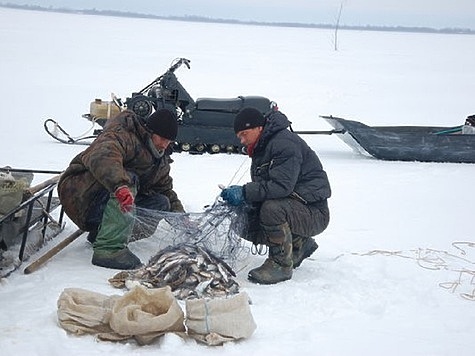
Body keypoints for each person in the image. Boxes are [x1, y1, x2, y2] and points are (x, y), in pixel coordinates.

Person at [58, 108, 185, 270]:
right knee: (129, 178)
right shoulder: (122, 135)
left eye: (169, 141)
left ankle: (103, 234)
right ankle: (109, 250)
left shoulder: (160, 161)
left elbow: (165, 189)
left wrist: (182, 218)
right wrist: (120, 186)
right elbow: (102, 156)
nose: (164, 144)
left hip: (111, 200)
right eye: (161, 138)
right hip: (81, 196)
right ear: (149, 131)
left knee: (161, 202)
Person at [220, 107, 331, 284]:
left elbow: (281, 187)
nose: (241, 140)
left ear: (258, 128)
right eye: (239, 136)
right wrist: (243, 200)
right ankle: (299, 245)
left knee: (272, 210)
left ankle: (281, 265)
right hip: (295, 208)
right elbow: (268, 188)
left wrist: (245, 191)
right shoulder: (264, 147)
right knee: (245, 218)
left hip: (314, 213)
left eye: (244, 133)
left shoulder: (283, 143)